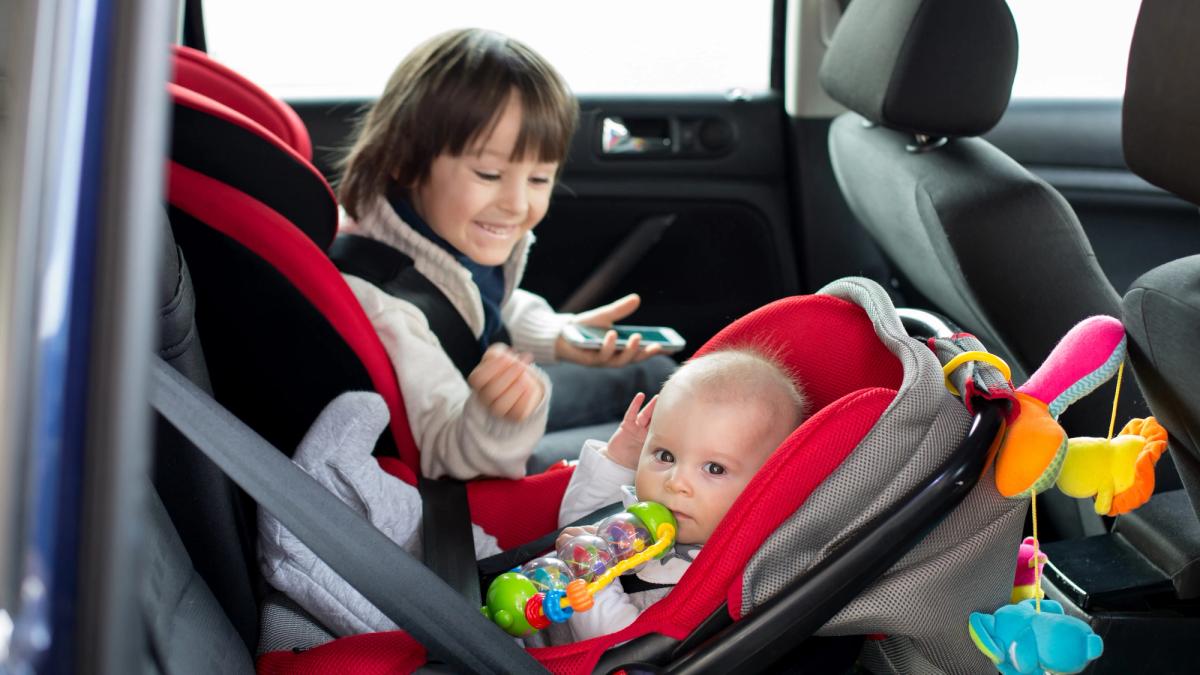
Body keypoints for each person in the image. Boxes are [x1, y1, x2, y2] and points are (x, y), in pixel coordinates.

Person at [335, 28, 674, 481]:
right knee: (672, 446)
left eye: (539, 179)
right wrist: (499, 419)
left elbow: (482, 302)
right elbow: (444, 454)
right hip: (481, 459)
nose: (517, 204)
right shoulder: (388, 305)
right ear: (405, 159)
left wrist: (557, 335)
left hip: (491, 406)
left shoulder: (437, 234)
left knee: (655, 375)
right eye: (489, 173)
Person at [552, 348, 809, 642]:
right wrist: (618, 458)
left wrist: (589, 577)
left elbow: (623, 645)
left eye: (714, 468)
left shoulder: (712, 581)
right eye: (665, 455)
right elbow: (572, 525)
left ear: (765, 488)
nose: (675, 482)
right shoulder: (642, 515)